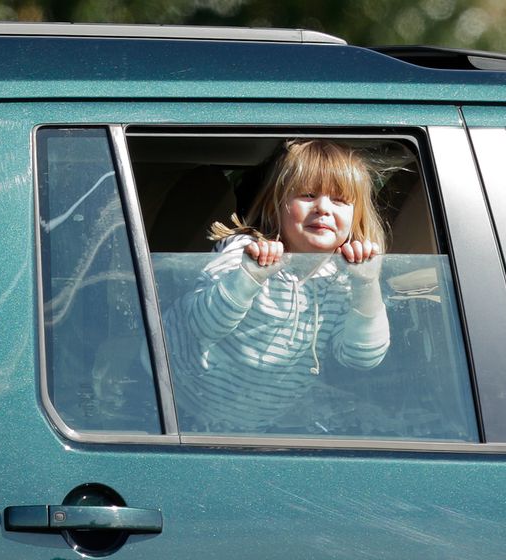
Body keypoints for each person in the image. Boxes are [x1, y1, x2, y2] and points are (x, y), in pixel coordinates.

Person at [163, 139, 390, 432]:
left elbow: (363, 359)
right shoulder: (245, 251)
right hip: (176, 402)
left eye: (339, 200)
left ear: (355, 217)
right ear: (276, 206)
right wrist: (250, 278)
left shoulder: (343, 281)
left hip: (246, 423)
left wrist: (367, 286)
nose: (323, 207)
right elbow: (201, 325)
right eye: (308, 195)